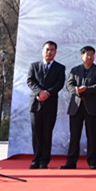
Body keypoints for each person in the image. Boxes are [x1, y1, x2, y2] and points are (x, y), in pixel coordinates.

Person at [61, 46, 96, 170]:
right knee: (74, 136)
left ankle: (93, 162)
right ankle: (71, 162)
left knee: (92, 135)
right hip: (76, 107)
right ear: (82, 56)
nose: (89, 57)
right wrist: (76, 90)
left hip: (92, 107)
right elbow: (69, 85)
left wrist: (85, 89)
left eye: (92, 55)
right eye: (87, 54)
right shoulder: (75, 70)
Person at [26, 40, 66, 169]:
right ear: (42, 51)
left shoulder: (60, 68)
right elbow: (30, 81)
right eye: (47, 49)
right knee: (36, 132)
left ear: (55, 52)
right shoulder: (34, 66)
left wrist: (47, 93)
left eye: (52, 50)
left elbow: (59, 83)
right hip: (36, 103)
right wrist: (39, 92)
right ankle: (36, 159)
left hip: (50, 104)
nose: (49, 52)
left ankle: (44, 160)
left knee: (47, 133)